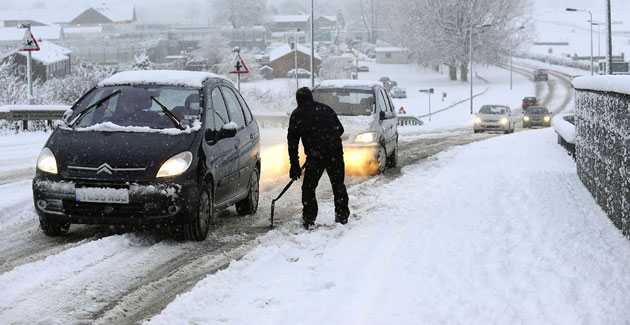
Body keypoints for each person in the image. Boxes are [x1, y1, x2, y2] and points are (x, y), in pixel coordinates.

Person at [287, 87, 350, 229]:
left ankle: (309, 219)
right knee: (338, 184)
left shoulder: (297, 114)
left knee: (308, 188)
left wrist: (294, 164)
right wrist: (328, 139)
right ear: (311, 97)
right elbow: (340, 129)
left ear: (298, 100)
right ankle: (342, 216)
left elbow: (292, 142)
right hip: (335, 153)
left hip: (316, 157)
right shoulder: (326, 109)